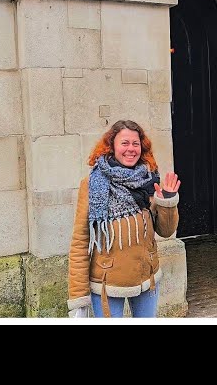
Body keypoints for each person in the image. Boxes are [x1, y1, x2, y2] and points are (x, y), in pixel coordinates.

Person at [67, 120, 181, 318]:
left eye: (135, 144)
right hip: (106, 283)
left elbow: (165, 231)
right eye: (124, 143)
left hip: (147, 277)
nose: (131, 149)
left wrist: (168, 202)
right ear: (112, 146)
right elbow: (80, 242)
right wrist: (78, 298)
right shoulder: (92, 184)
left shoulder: (149, 180)